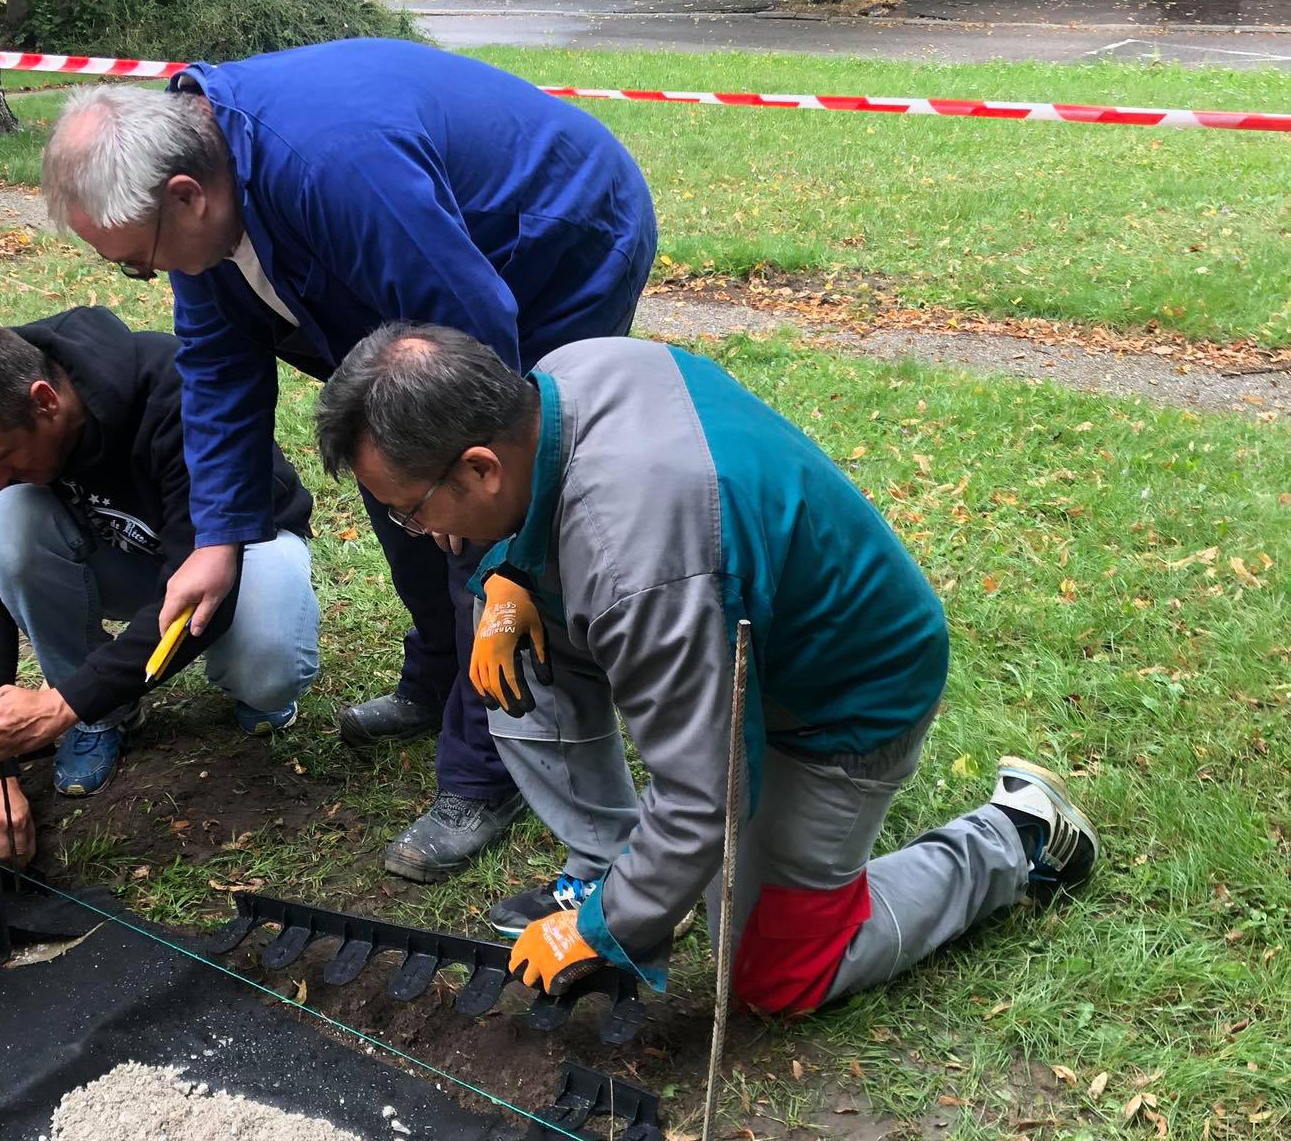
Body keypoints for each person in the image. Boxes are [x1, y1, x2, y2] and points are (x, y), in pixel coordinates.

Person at [315, 325, 1098, 1017]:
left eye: (411, 509)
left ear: (482, 468)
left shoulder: (639, 560)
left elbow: (707, 793)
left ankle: (1018, 835)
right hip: (730, 613)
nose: (415, 530)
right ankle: (618, 871)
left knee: (777, 971)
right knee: (516, 642)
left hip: (844, 696)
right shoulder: (567, 376)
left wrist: (605, 933)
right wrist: (511, 573)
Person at [39, 38, 656, 884]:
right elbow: (217, 370)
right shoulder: (204, 197)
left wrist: (457, 488)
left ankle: (490, 768)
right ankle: (439, 676)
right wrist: (216, 538)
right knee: (390, 463)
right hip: (431, 262)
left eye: (136, 262)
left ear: (186, 196)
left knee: (478, 508)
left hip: (559, 238)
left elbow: (469, 331)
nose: (144, 274)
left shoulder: (332, 167)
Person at [0, 308, 318, 867]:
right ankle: (105, 713)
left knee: (267, 673)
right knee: (7, 521)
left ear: (45, 401)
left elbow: (204, 596)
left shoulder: (176, 391)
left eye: (1, 459)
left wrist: (62, 704)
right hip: (126, 562)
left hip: (239, 553)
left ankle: (128, 696)